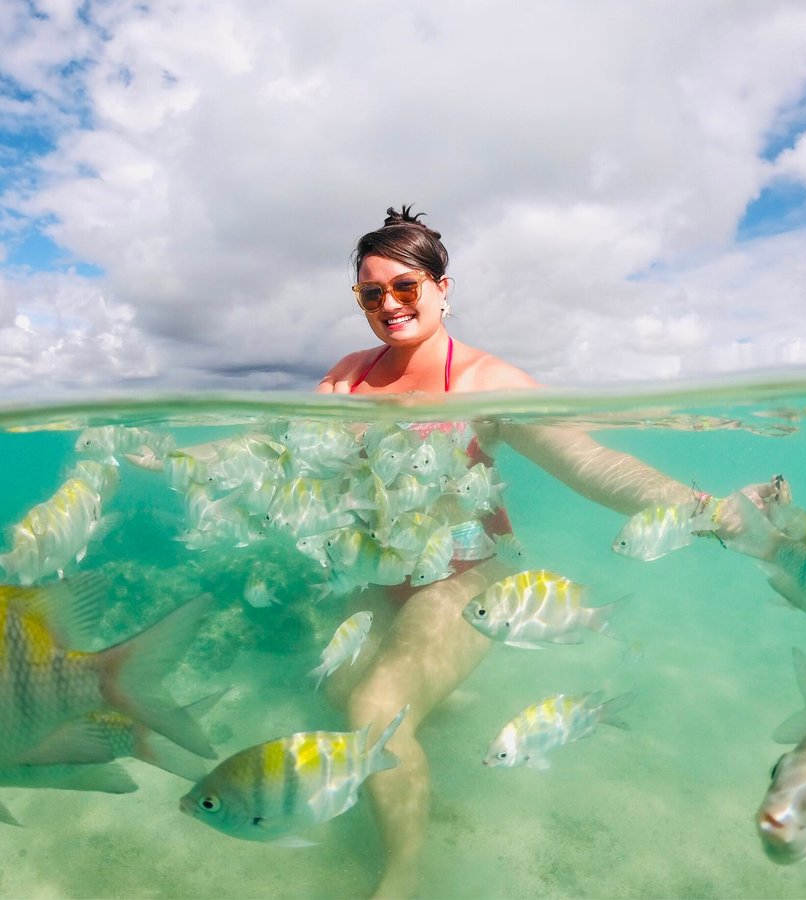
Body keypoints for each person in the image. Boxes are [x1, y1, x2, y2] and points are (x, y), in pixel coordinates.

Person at [318, 205, 773, 898]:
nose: (388, 304)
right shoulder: (349, 375)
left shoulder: (485, 382)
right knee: (332, 687)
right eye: (371, 292)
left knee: (373, 711)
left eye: (405, 286)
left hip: (464, 583)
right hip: (382, 574)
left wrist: (706, 511)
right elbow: (274, 453)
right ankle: (440, 703)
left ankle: (402, 878)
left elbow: (588, 463)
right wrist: (168, 455)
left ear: (443, 287)